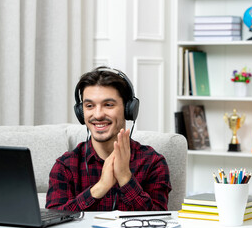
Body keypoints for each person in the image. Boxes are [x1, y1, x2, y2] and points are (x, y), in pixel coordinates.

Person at [46, 66, 171, 211]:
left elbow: (157, 222)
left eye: (108, 105)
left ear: (128, 109)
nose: (98, 115)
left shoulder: (152, 163)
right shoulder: (65, 166)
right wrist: (100, 187)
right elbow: (54, 219)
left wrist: (125, 178)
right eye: (89, 105)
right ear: (81, 112)